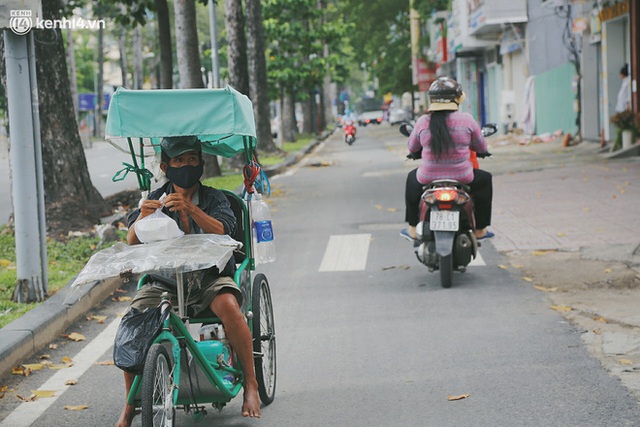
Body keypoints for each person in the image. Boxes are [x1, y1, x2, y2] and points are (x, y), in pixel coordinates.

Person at [114, 136, 261, 427]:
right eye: (179, 161)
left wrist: (191, 210)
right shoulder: (154, 199)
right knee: (133, 322)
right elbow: (132, 240)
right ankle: (130, 407)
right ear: (166, 166)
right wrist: (142, 218)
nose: (186, 166)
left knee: (230, 307)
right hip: (164, 281)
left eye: (192, 160)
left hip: (208, 278)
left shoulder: (215, 199)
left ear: (201, 164)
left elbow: (224, 231)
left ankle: (252, 385)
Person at [401, 76, 493, 242]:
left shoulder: (422, 122)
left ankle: (413, 228)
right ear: (456, 100)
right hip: (463, 176)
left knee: (411, 179)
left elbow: (412, 148)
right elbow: (481, 147)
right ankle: (480, 230)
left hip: (427, 177)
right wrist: (482, 151)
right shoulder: (467, 120)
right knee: (485, 179)